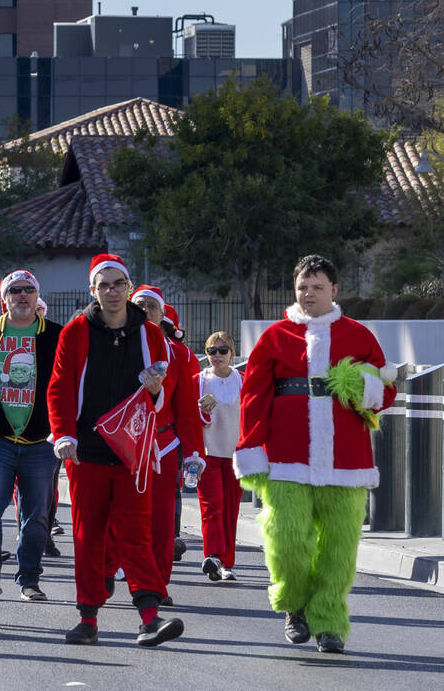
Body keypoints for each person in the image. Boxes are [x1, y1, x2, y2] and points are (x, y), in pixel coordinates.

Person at [235, 254, 396, 654]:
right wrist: (250, 447)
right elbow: (253, 395)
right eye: (303, 287)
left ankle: (329, 623)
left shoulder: (359, 336)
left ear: (334, 290)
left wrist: (364, 386)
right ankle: (294, 606)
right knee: (287, 540)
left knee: (340, 547)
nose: (309, 294)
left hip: (347, 461)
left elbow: (385, 391)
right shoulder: (274, 337)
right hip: (286, 457)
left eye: (317, 287)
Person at [46, 253, 183, 647]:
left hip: (132, 452)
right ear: (93, 290)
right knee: (88, 536)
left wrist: (157, 391)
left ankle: (150, 617)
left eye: (118, 284)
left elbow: (165, 389)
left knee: (135, 535)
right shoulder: (75, 332)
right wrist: (63, 435)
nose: (111, 291)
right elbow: (59, 388)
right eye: (103, 285)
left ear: (128, 288)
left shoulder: (151, 333)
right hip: (86, 450)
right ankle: (88, 619)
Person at [0, 270, 62, 603]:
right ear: (3, 298)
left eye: (29, 290)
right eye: (15, 290)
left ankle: (29, 579)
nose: (22, 296)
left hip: (41, 442)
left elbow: (69, 385)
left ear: (37, 297)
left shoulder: (56, 335)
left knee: (36, 515)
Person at [125, 287, 204, 600]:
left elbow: (186, 406)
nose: (145, 310)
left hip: (164, 445)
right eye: (139, 305)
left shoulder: (179, 354)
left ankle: (156, 583)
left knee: (161, 521)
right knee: (123, 515)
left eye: (151, 306)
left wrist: (195, 451)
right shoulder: (116, 345)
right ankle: (118, 569)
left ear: (162, 313)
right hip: (123, 445)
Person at [196, 331, 243, 582]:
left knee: (230, 509)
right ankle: (213, 556)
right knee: (212, 506)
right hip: (208, 454)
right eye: (211, 351)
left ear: (232, 354)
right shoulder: (199, 381)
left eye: (222, 350)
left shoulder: (243, 380)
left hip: (235, 455)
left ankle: (227, 563)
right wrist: (200, 411)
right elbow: (188, 419)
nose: (217, 355)